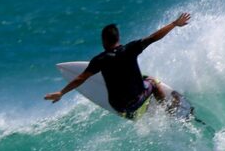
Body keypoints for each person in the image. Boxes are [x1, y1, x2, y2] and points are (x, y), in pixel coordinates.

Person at [46, 12, 192, 118]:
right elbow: (154, 37)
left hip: (119, 106)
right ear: (118, 38)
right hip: (136, 100)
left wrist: (61, 93)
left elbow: (81, 79)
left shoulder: (100, 60)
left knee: (139, 78)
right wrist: (174, 24)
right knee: (152, 81)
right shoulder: (131, 49)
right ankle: (168, 111)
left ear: (104, 41)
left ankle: (132, 108)